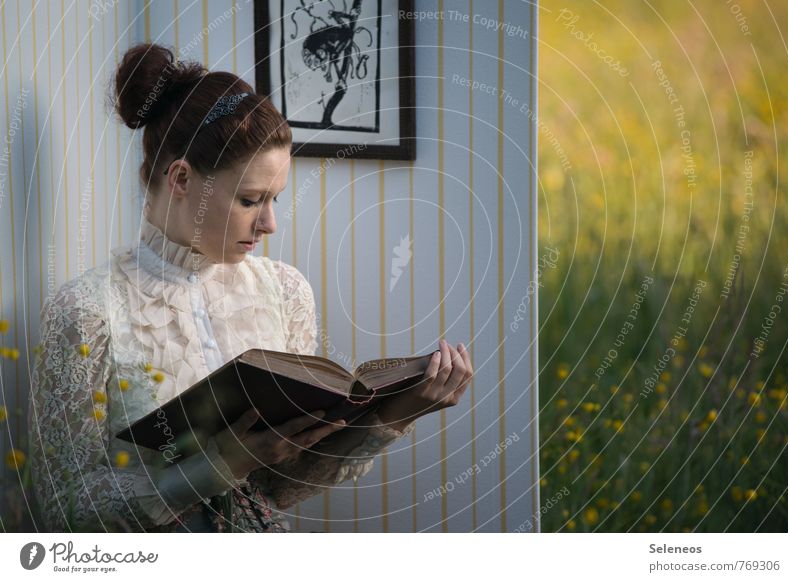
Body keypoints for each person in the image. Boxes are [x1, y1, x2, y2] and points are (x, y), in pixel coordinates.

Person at [27, 43, 473, 533]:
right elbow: (61, 511)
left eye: (275, 198)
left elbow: (283, 485)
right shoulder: (86, 310)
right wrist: (221, 462)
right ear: (180, 178)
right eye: (250, 200)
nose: (270, 224)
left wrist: (397, 415)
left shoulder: (285, 292)